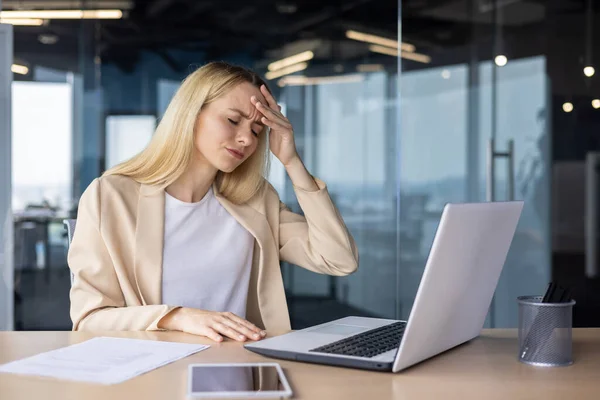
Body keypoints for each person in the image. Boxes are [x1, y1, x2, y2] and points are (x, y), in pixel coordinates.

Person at [68, 61, 358, 343]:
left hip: (240, 372)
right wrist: (177, 317)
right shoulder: (111, 197)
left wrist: (292, 162)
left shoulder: (255, 201)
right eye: (233, 120)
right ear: (191, 114)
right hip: (153, 378)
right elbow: (89, 319)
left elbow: (338, 259)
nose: (246, 138)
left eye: (257, 130)